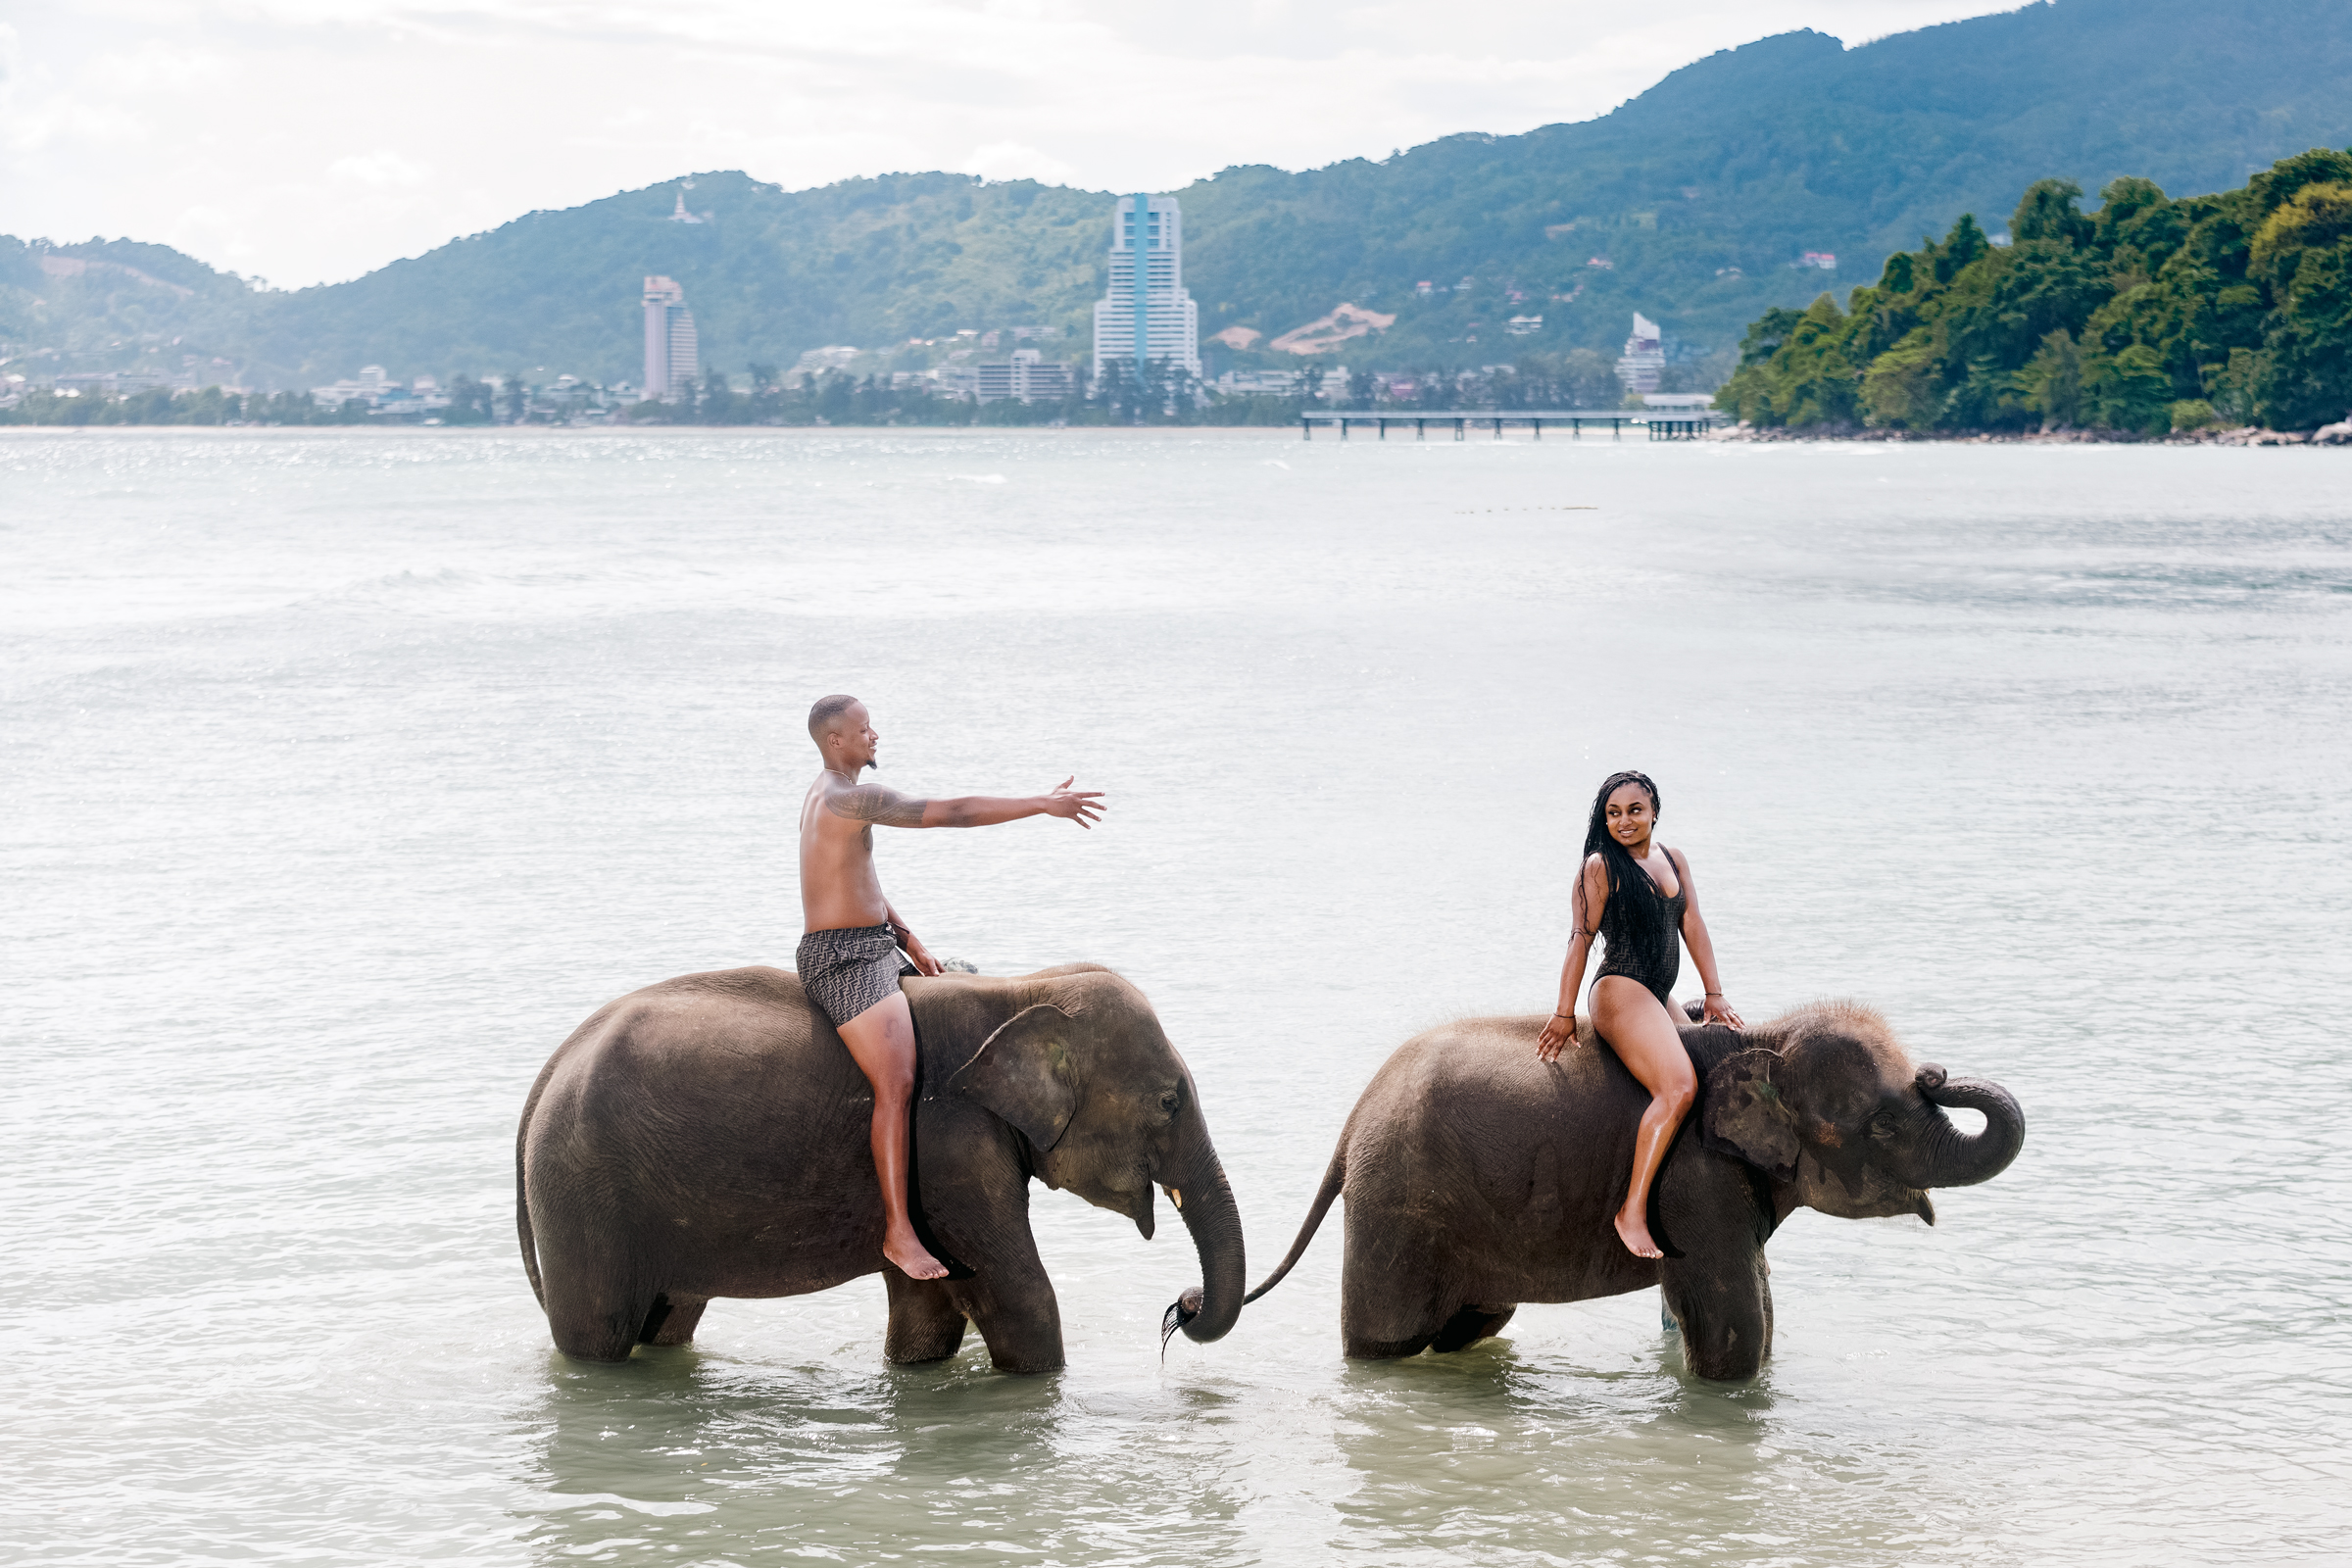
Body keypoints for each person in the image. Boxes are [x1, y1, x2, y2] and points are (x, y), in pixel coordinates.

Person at [797, 695, 1106, 1280]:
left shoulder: (831, 791)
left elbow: (852, 873)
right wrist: (1042, 804)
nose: (876, 736)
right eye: (865, 729)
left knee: (962, 980)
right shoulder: (845, 796)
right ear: (836, 740)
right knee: (899, 1078)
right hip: (841, 962)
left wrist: (908, 938)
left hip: (877, 946)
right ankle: (897, 1232)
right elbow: (952, 811)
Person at [1534, 770, 1742, 1259]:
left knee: (1711, 1082)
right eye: (1613, 813)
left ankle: (1708, 1209)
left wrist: (1714, 993)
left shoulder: (1673, 858)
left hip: (1658, 992)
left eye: (1634, 810)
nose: (1624, 821)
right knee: (1679, 1088)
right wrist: (1564, 1014)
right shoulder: (1599, 867)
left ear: (1653, 811)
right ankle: (1631, 1212)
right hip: (1620, 990)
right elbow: (1580, 940)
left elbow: (1692, 923)